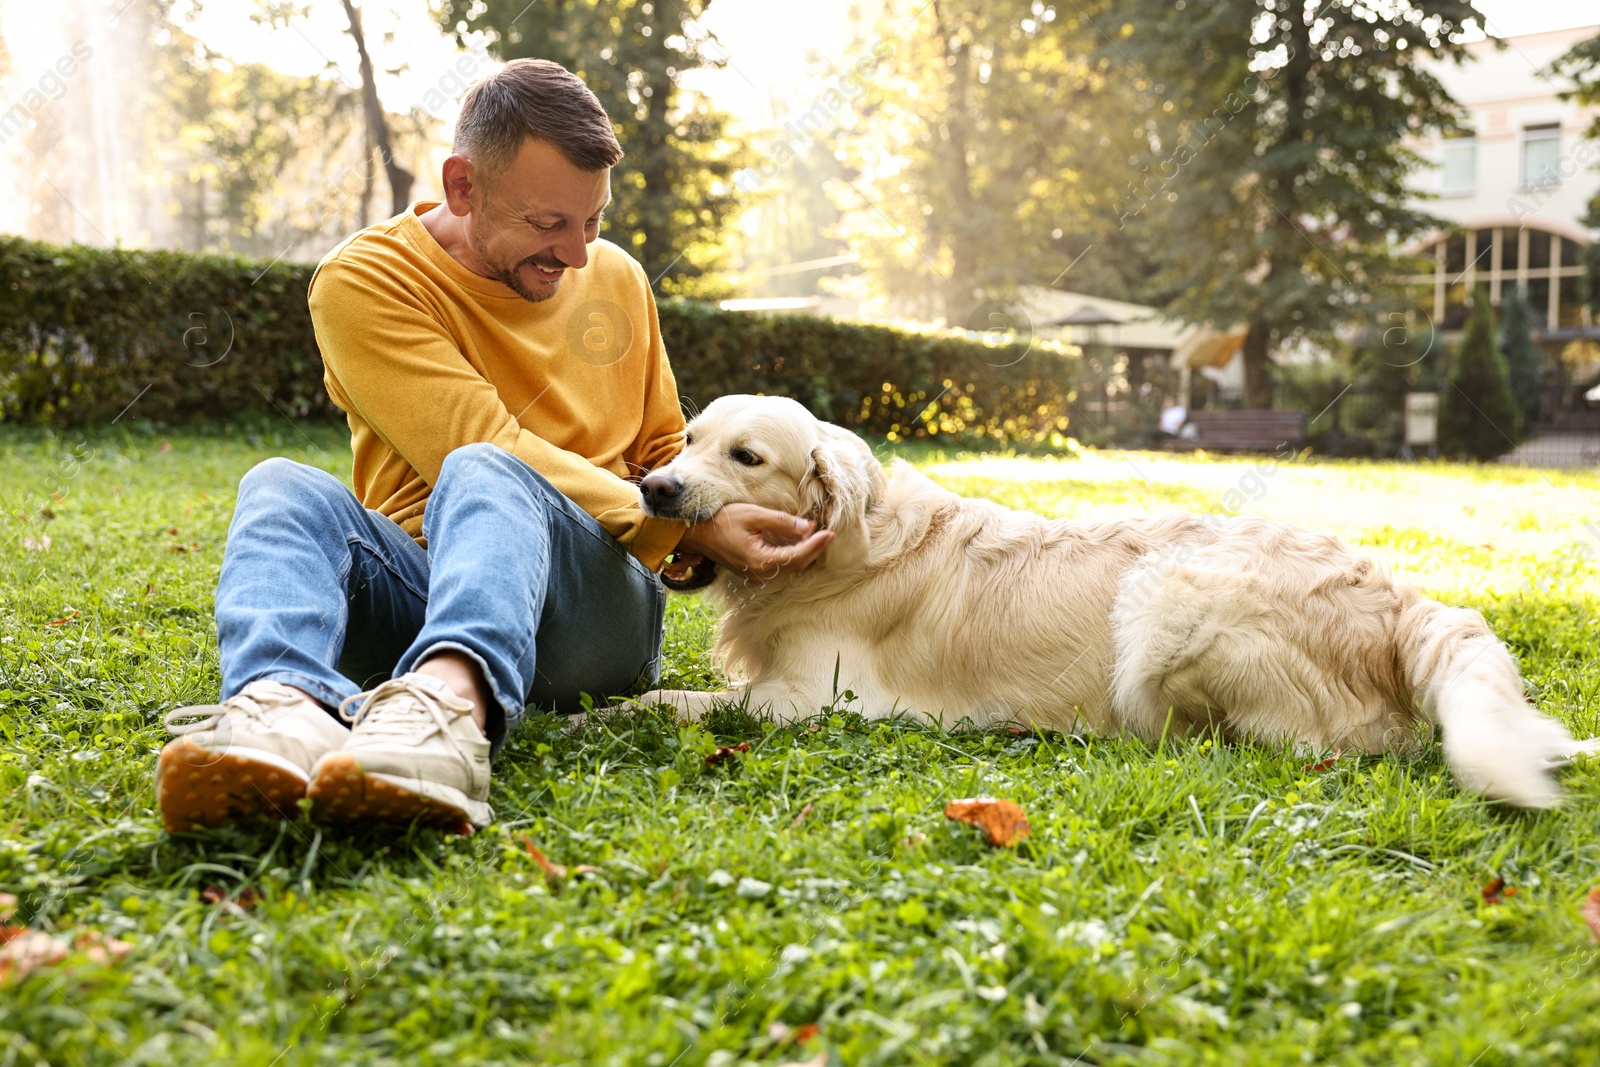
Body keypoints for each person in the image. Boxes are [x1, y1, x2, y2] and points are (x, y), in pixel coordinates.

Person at [154, 59, 833, 835]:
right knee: (280, 484)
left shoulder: (617, 278)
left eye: (593, 221)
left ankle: (447, 711)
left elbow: (659, 453)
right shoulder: (366, 281)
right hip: (423, 587)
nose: (578, 254)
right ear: (462, 186)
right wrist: (687, 526)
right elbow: (474, 441)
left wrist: (692, 521)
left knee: (485, 466)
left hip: (592, 609)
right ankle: (278, 714)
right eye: (549, 225)